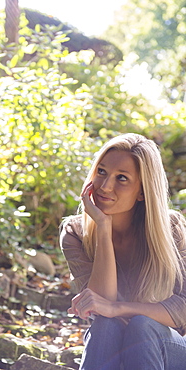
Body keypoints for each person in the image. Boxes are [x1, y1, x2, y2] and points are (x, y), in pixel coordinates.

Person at [60, 133, 186, 370]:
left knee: (142, 326)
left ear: (142, 191)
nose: (105, 186)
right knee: (105, 325)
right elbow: (101, 306)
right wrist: (103, 228)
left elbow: (183, 308)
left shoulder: (172, 230)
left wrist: (119, 308)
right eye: (101, 172)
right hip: (114, 341)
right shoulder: (75, 233)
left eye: (122, 178)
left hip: (172, 348)